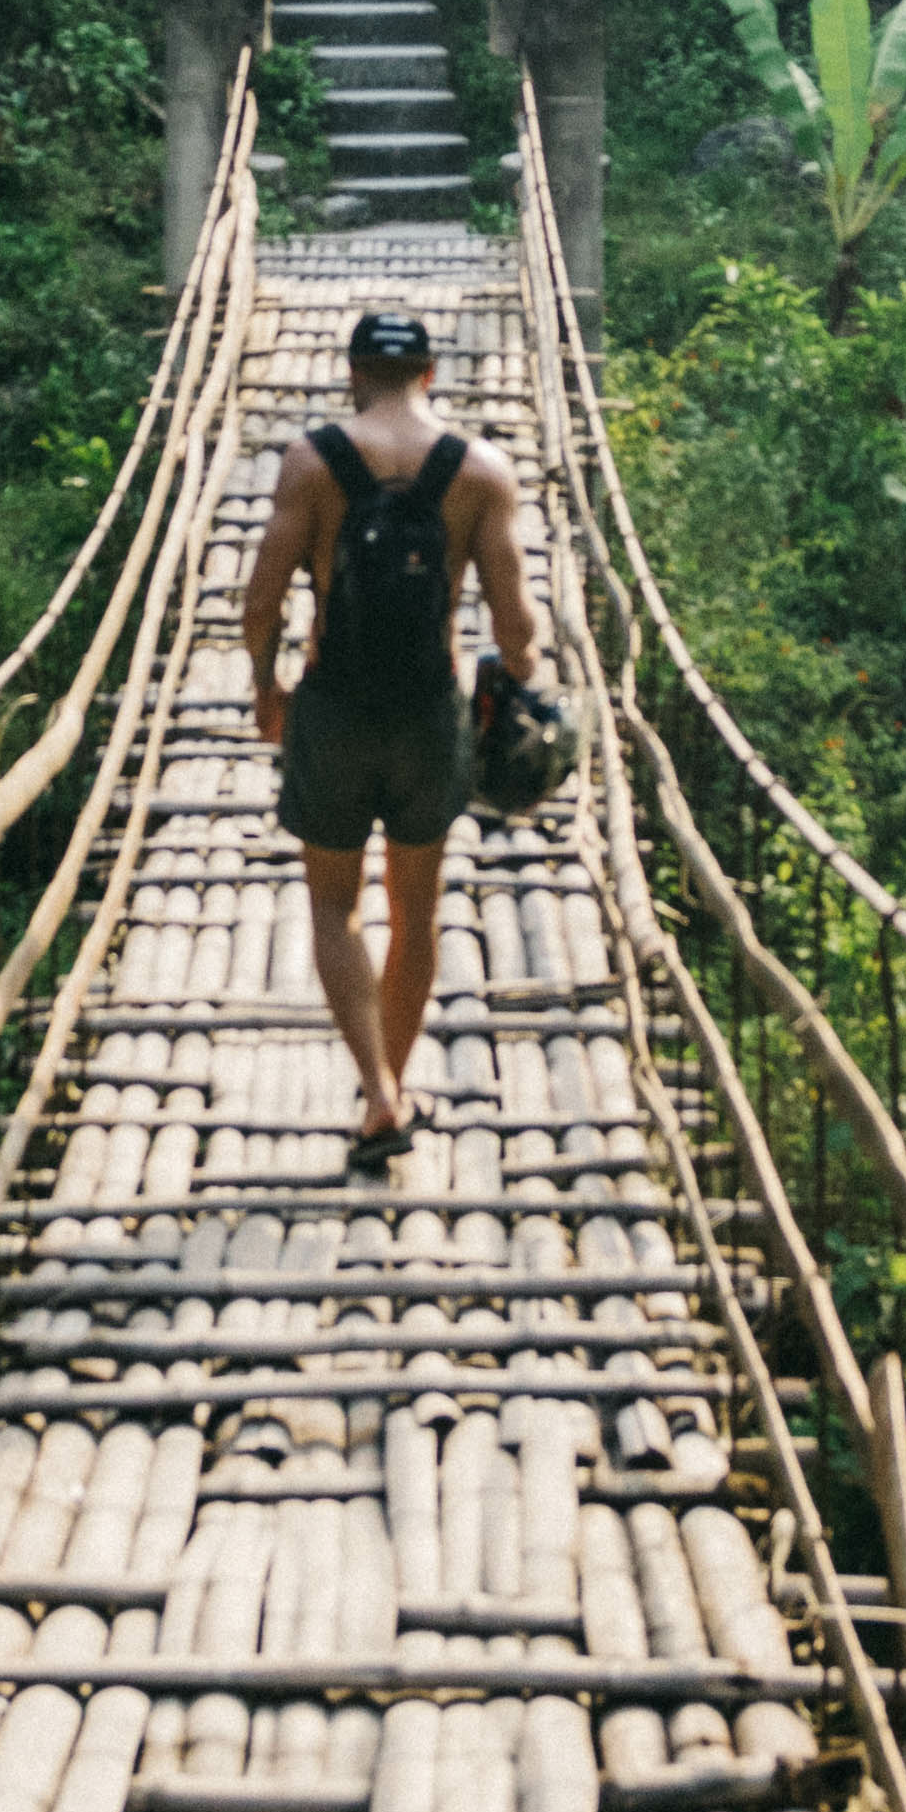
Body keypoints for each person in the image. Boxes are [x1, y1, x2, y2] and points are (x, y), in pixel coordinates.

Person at [243, 306, 536, 1175]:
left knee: (334, 904)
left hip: (331, 708)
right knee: (417, 908)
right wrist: (513, 694)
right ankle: (392, 1092)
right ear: (432, 374)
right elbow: (520, 634)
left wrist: (268, 690)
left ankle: (376, 1092)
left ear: (352, 372)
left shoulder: (312, 464)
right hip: (427, 713)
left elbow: (260, 602)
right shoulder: (481, 471)